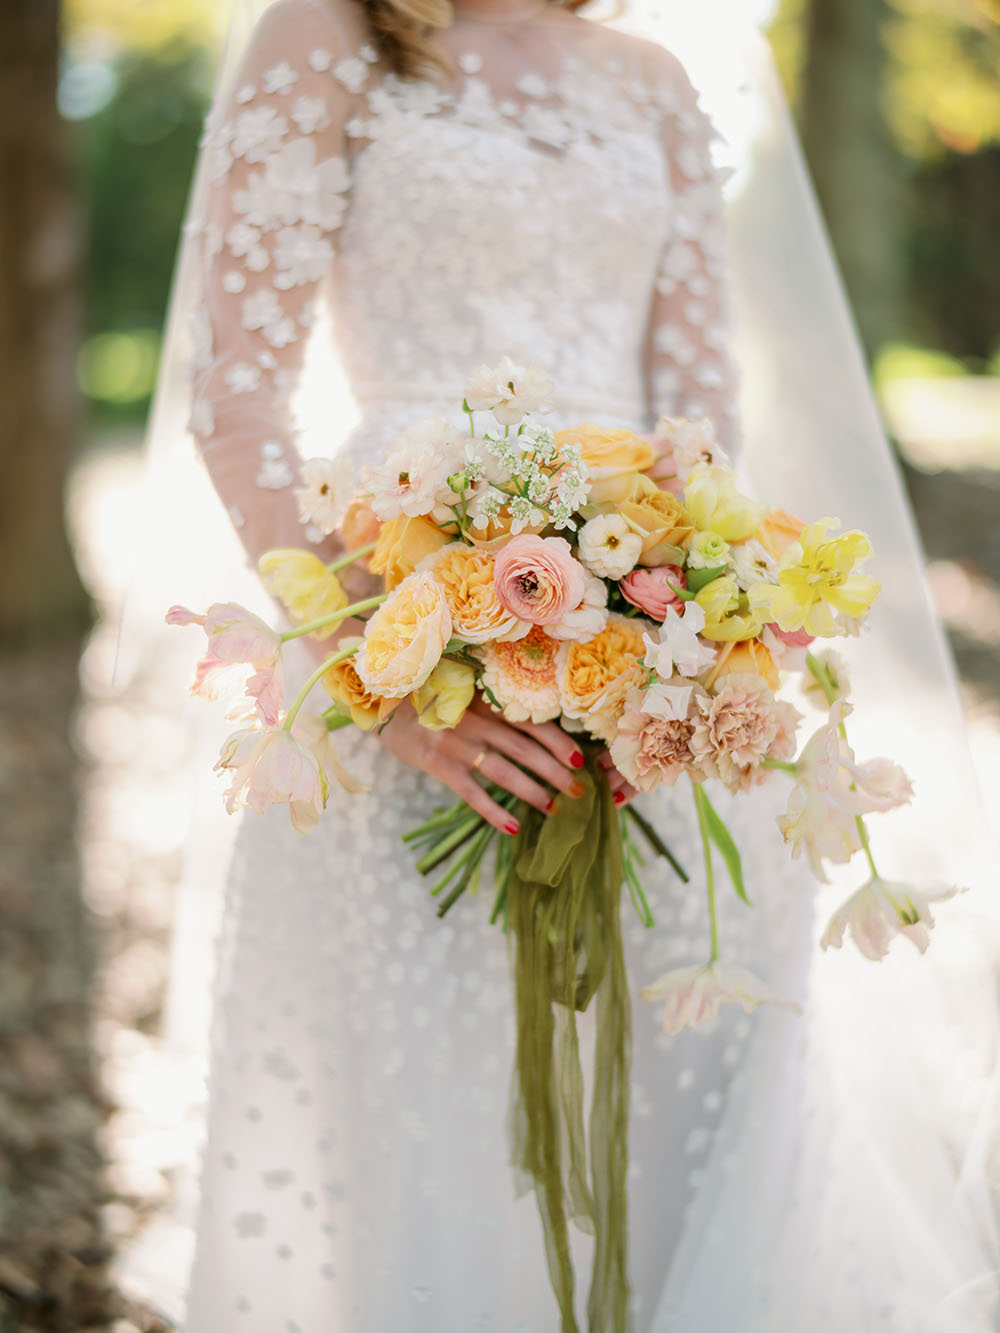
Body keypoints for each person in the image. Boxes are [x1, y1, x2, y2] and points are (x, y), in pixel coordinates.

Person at [147, 0, 999, 1327]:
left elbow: (703, 410)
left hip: (662, 643)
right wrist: (381, 681)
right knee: (447, 1112)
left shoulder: (656, 80)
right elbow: (239, 396)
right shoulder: (327, 36)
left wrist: (690, 628)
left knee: (690, 1054)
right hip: (397, 611)